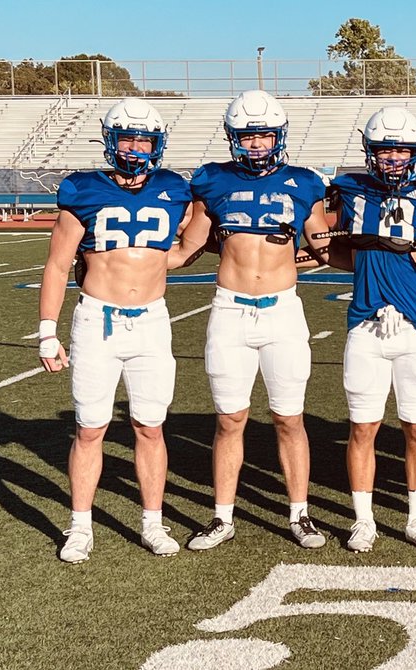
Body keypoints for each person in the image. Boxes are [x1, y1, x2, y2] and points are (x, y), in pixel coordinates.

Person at [167, 90, 329, 551]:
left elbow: (322, 248)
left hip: (283, 310)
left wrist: (384, 257)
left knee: (289, 418)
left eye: (263, 136)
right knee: (230, 419)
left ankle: (300, 514)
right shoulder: (213, 181)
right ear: (233, 138)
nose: (256, 145)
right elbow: (186, 249)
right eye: (247, 136)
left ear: (279, 136)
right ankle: (222, 517)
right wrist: (133, 257)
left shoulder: (304, 182)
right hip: (230, 310)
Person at [39, 98, 193, 563]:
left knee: (150, 427)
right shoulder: (82, 190)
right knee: (90, 428)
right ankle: (80, 526)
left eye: (144, 138)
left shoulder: (174, 189)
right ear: (110, 140)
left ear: (158, 143)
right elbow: (57, 263)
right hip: (97, 320)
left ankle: (152, 522)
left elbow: (189, 243)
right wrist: (48, 330)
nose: (135, 147)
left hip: (151, 320)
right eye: (127, 137)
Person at [313, 107, 416, 553]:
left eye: (402, 150)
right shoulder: (351, 191)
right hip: (366, 325)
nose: (394, 158)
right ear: (370, 152)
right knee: (364, 428)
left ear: (415, 153)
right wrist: (366, 263)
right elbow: (324, 246)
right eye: (385, 151)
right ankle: (364, 520)